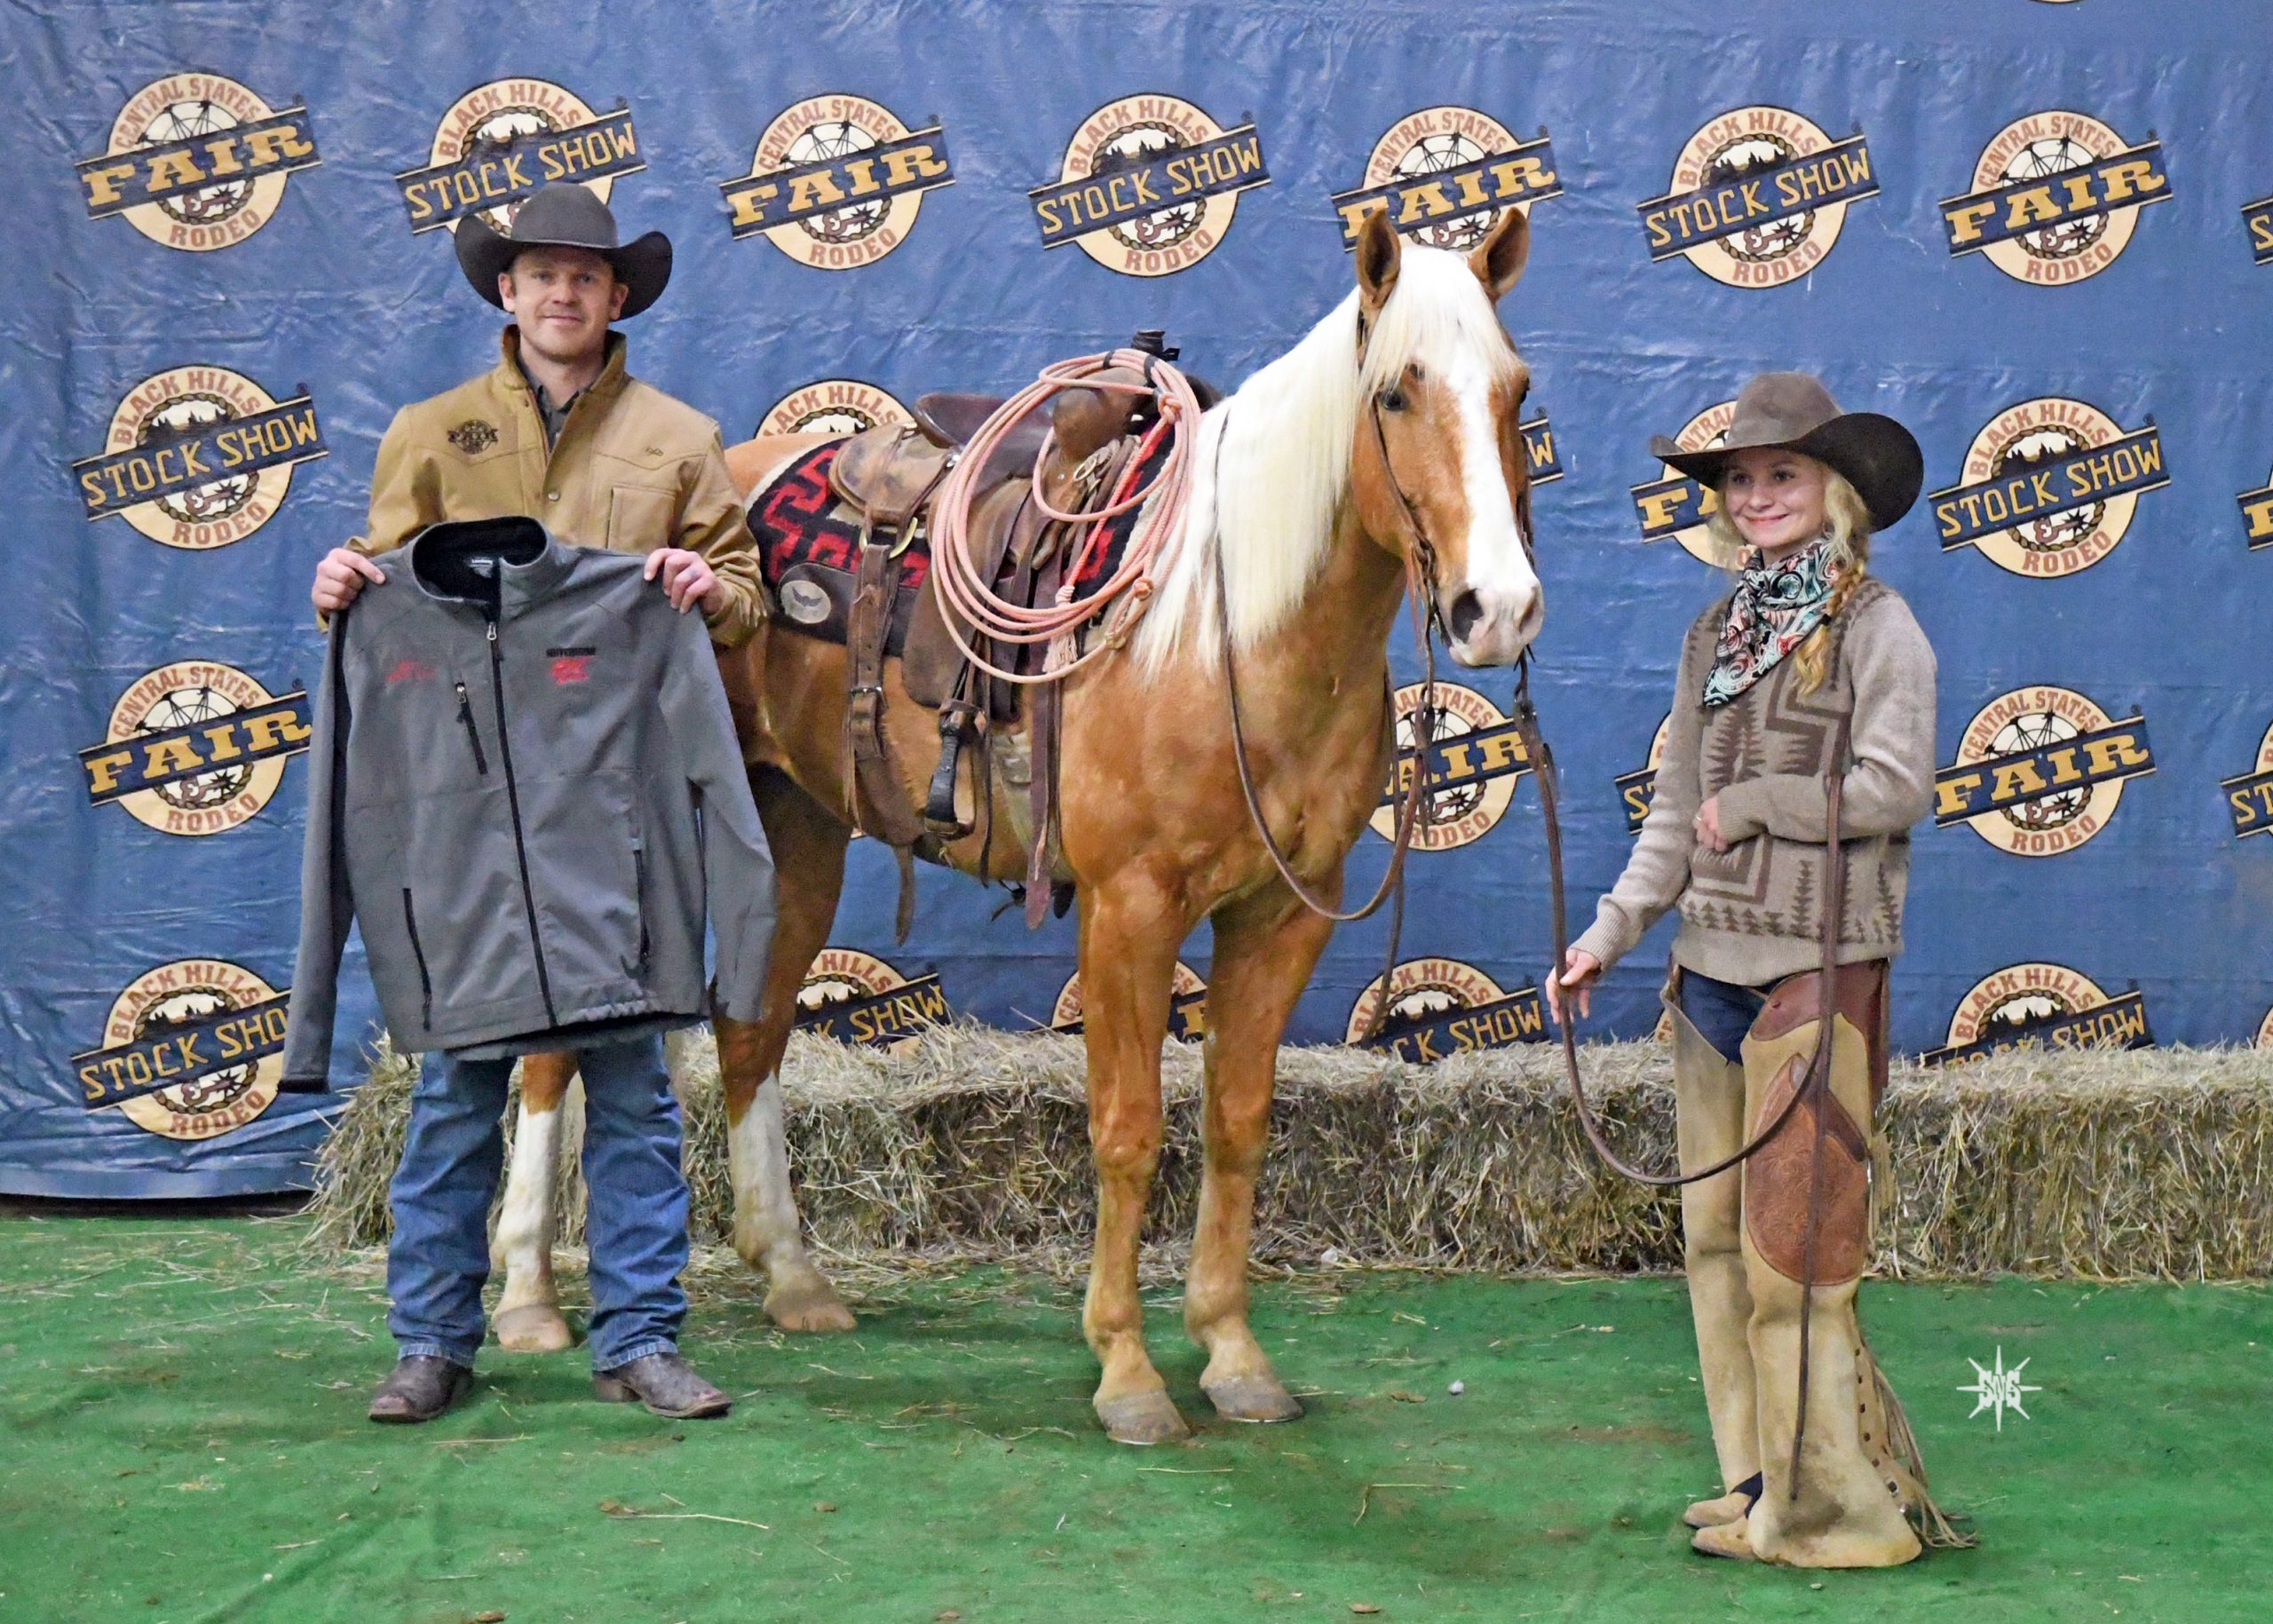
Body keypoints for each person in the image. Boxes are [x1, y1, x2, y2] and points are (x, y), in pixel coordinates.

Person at [311, 182, 765, 1426]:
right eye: (539, 273)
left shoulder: (680, 438)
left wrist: (706, 587)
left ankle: (640, 1336)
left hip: (614, 810)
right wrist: (343, 583)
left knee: (629, 1079)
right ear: (504, 293)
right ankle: (430, 1341)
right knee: (459, 1082)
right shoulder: (432, 428)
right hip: (467, 813)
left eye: (587, 274)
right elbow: (388, 596)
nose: (562, 292)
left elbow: (746, 594)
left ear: (619, 297)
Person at [1546, 372, 1964, 1566]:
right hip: (1709, 979)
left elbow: (1896, 790)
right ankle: (1756, 1479)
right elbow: (1677, 813)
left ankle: (1838, 1514)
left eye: (1782, 473)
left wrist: (1764, 800)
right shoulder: (1715, 633)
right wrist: (1613, 931)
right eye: (1741, 477)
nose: (1758, 494)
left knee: (1799, 1256)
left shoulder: (1881, 628)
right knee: (1715, 1243)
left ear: (1832, 489)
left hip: (1815, 982)